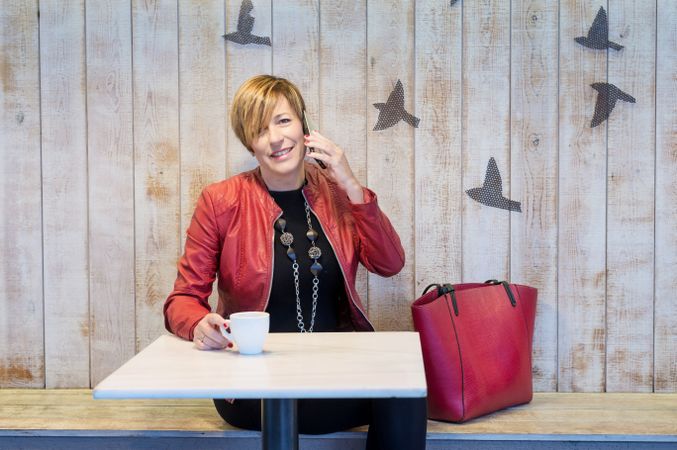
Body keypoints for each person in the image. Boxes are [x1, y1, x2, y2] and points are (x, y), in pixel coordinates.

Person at [163, 74, 427, 449]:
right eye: (259, 129)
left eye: (283, 121)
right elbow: (182, 299)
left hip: (333, 371)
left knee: (408, 390)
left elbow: (389, 263)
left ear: (305, 126)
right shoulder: (221, 201)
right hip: (250, 382)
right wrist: (197, 324)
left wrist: (350, 184)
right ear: (248, 142)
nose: (275, 138)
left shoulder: (337, 194)